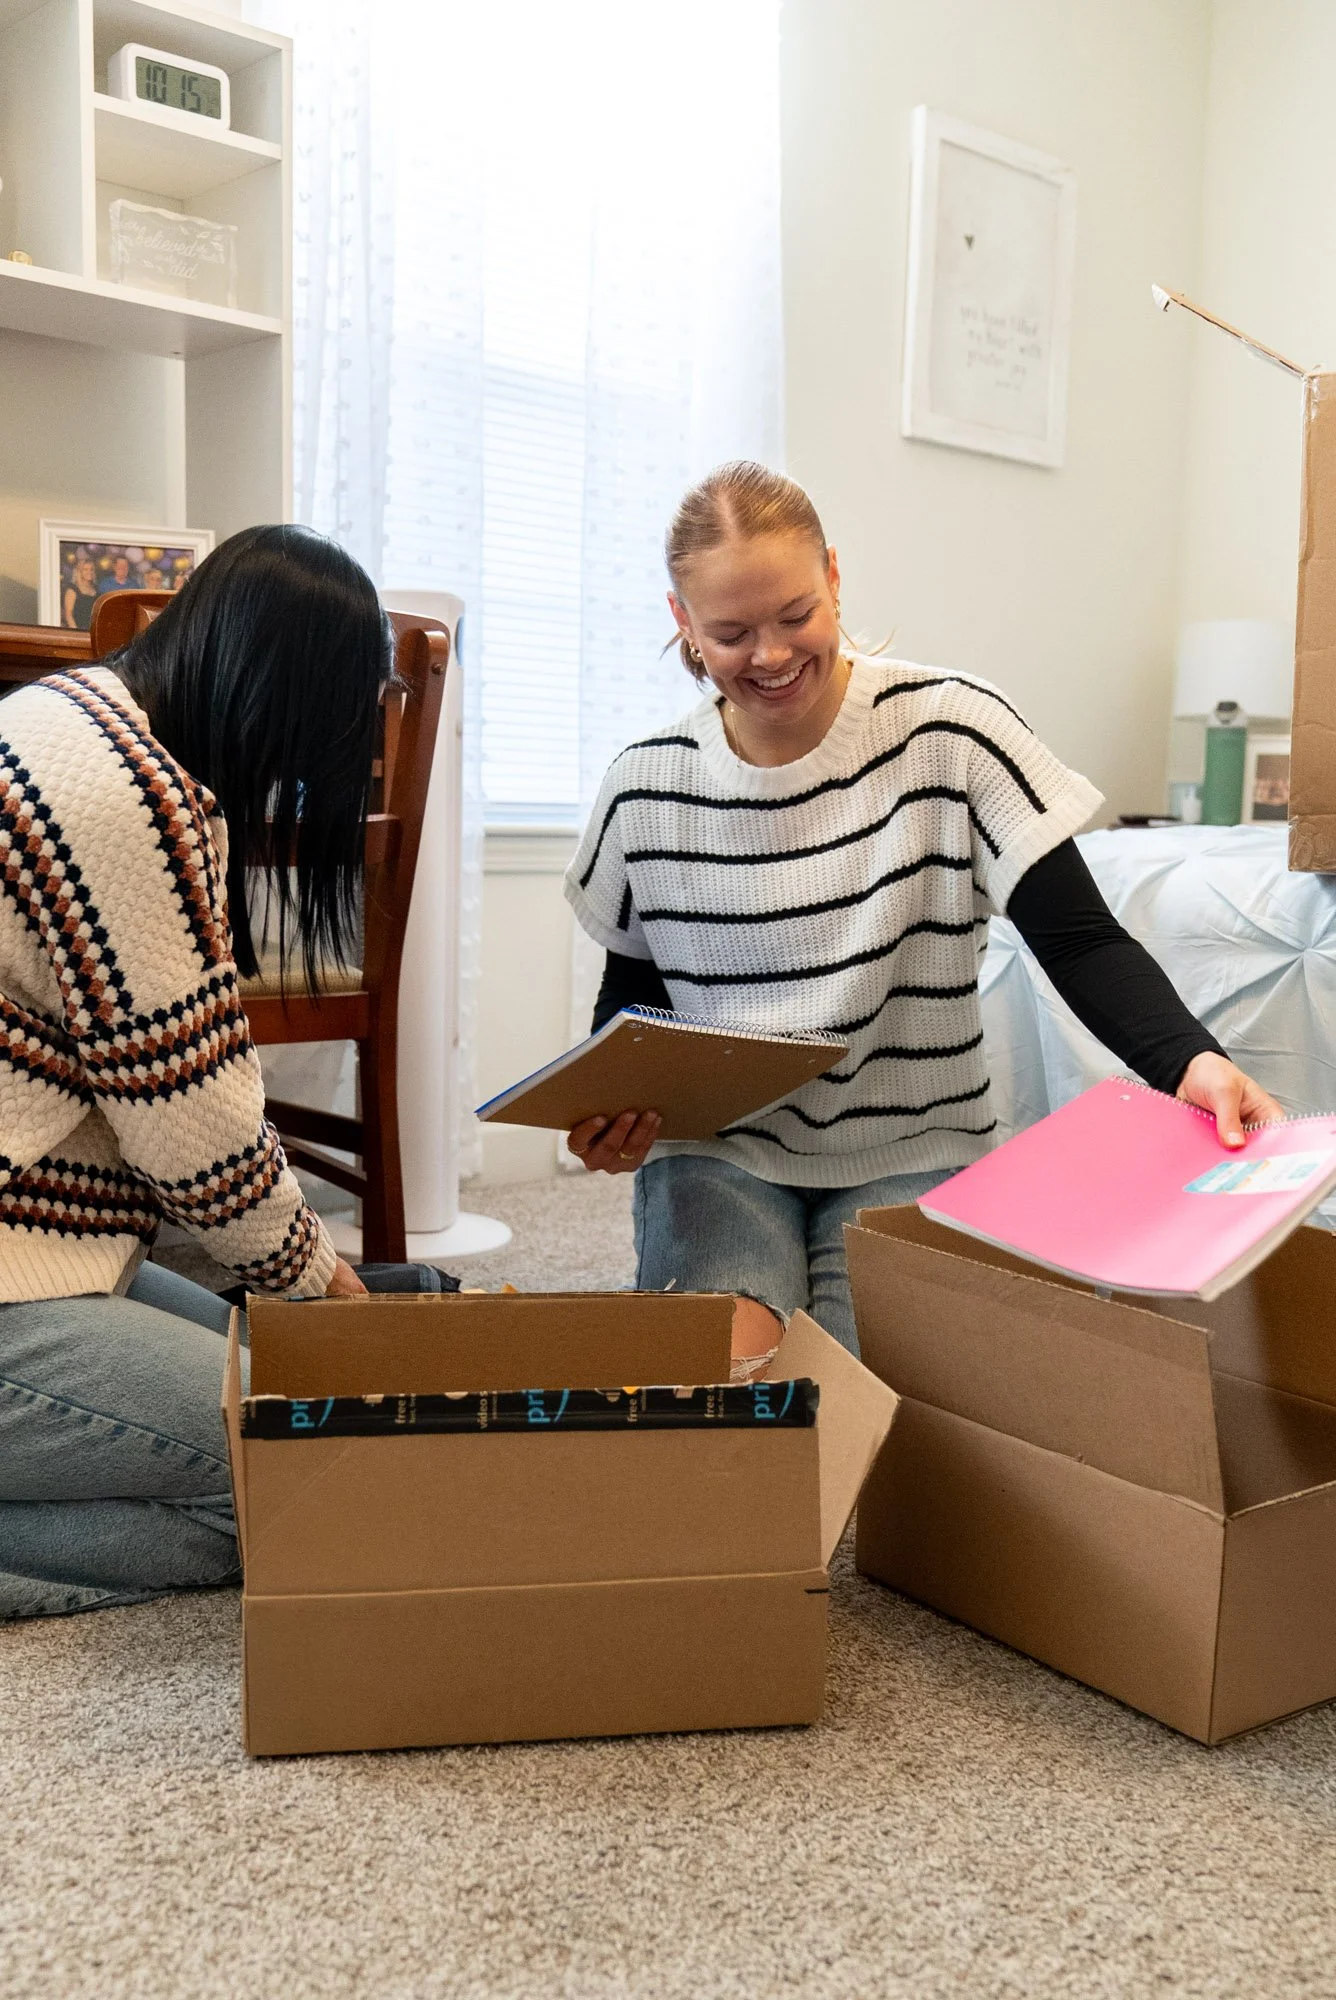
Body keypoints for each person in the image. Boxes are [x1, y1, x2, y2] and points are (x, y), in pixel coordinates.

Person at [564, 462, 1283, 1365]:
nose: (773, 655)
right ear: (682, 623)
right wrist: (611, 1113)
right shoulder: (645, 784)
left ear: (833, 575)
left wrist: (1192, 1059)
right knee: (733, 1389)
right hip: (720, 1154)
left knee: (875, 1409)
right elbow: (635, 992)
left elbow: (1078, 936)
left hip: (914, 1139)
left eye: (795, 615)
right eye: (732, 633)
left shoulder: (953, 729)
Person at [0, 524, 388, 1620]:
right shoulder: (127, 793)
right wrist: (316, 1277)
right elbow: (191, 1125)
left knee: (280, 1374)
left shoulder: (55, 717)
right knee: (322, 1467)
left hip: (52, 1245)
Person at [62, 555, 98, 631]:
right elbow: (68, 615)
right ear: (79, 571)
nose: (89, 572)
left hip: (93, 633)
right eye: (86, 569)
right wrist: (77, 633)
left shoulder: (96, 589)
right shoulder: (72, 589)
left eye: (91, 569)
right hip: (78, 632)